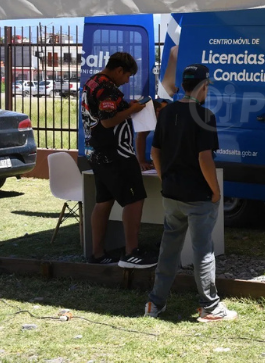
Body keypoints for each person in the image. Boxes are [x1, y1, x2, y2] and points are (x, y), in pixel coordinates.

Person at [145, 64, 237, 322]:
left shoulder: (166, 112)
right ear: (203, 86)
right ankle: (210, 307)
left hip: (171, 194)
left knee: (168, 250)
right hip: (198, 197)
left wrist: (165, 179)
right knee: (203, 252)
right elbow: (204, 158)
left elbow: (155, 152)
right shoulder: (205, 115)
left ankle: (155, 303)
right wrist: (216, 191)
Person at [81, 52, 157, 268]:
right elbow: (108, 121)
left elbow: (104, 112)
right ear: (118, 70)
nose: (127, 81)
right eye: (127, 76)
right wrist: (132, 110)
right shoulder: (108, 88)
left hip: (96, 153)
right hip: (116, 154)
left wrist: (126, 106)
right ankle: (132, 253)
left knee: (103, 201)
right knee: (134, 199)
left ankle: (97, 254)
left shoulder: (92, 82)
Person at [135, 98, 171, 171]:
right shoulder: (150, 109)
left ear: (158, 112)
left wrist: (160, 160)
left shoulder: (172, 114)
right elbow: (141, 135)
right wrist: (141, 161)